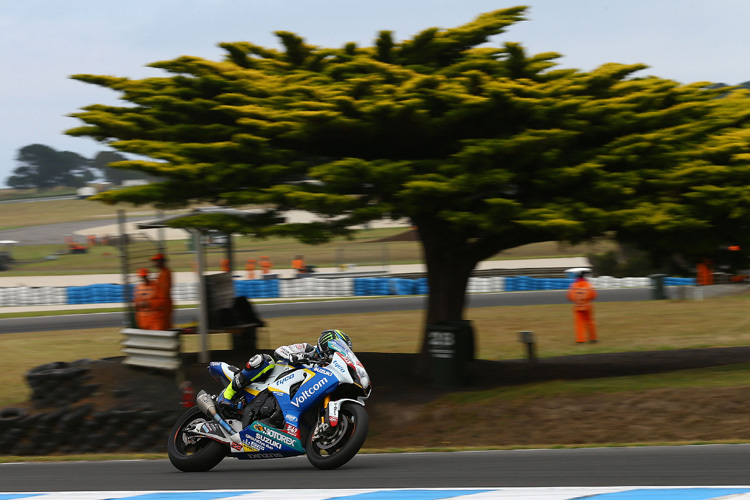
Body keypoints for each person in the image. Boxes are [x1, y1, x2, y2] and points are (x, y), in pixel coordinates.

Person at [216, 329, 353, 409]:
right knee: (265, 360)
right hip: (273, 379)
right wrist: (297, 357)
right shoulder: (308, 349)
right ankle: (227, 395)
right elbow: (280, 351)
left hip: (289, 398)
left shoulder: (328, 370)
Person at [566, 269, 598, 343]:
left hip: (577, 307)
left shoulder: (573, 285)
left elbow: (569, 297)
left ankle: (580, 339)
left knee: (579, 324)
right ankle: (593, 338)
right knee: (590, 322)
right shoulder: (588, 285)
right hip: (587, 306)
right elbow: (593, 295)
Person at [150, 253, 173, 330]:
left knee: (164, 326)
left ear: (161, 261)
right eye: (155, 261)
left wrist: (155, 284)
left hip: (164, 303)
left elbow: (164, 290)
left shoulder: (166, 273)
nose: (155, 263)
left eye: (156, 261)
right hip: (161, 303)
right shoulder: (161, 273)